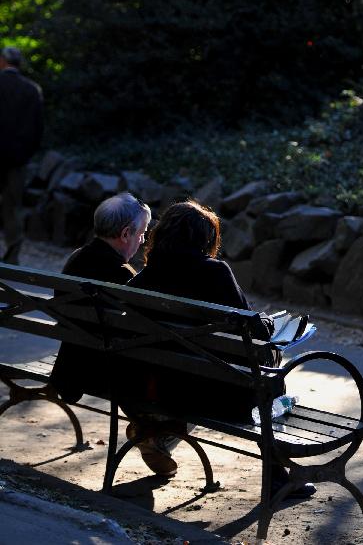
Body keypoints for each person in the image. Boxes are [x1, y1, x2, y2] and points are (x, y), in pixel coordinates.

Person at [125, 199, 315, 497]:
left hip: (159, 391)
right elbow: (254, 328)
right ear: (205, 239)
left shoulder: (144, 278)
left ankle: (158, 431)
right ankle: (278, 477)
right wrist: (267, 322)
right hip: (217, 398)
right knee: (270, 378)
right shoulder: (214, 273)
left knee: (257, 374)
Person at [50, 192, 151, 404]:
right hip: (104, 371)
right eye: (142, 234)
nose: (142, 241)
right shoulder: (122, 274)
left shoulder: (76, 257)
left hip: (70, 366)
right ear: (125, 234)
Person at [0, 46, 44, 264]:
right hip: (18, 159)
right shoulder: (32, 90)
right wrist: (25, 154)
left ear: (2, 61)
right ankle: (12, 257)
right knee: (13, 207)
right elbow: (37, 129)